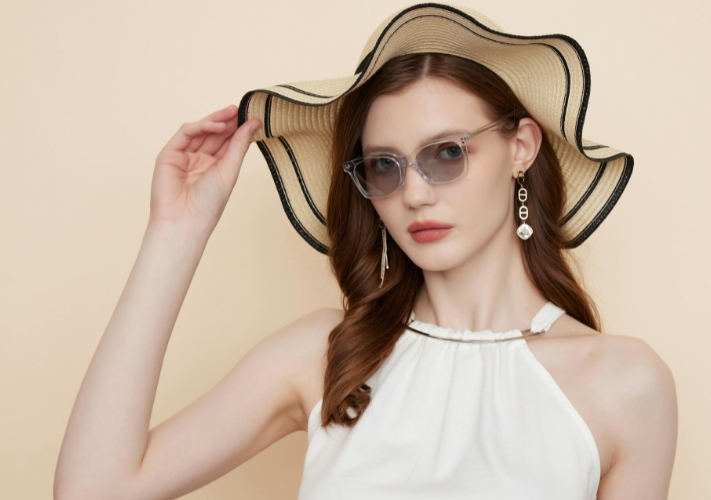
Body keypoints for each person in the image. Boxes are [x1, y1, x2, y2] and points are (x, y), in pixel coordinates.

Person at [55, 4, 677, 500]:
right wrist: (176, 231)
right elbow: (94, 490)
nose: (412, 193)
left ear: (521, 147)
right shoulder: (327, 356)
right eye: (385, 165)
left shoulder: (624, 383)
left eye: (447, 154)